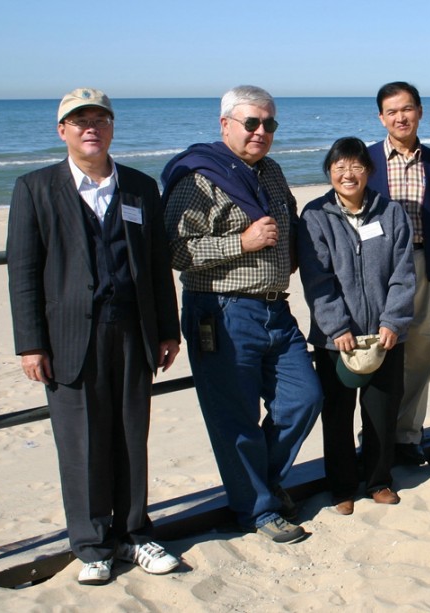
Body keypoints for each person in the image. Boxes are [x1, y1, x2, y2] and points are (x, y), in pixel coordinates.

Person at [7, 88, 181, 585]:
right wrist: (30, 343)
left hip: (132, 329)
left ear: (111, 127)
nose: (91, 128)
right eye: (79, 121)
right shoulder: (35, 188)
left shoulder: (140, 188)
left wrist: (167, 329)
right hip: (67, 338)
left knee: (131, 435)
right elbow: (23, 273)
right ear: (62, 131)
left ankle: (134, 534)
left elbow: (155, 265)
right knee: (81, 443)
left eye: (100, 120)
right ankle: (91, 546)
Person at [162, 85, 322, 543]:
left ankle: (259, 485)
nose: (260, 132)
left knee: (304, 397)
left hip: (276, 308)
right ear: (225, 124)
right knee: (235, 418)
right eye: (251, 123)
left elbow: (287, 223)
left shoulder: (270, 170)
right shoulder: (197, 177)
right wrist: (241, 242)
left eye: (269, 124)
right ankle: (258, 509)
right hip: (222, 312)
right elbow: (174, 250)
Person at [298, 137, 416, 515]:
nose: (348, 174)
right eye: (339, 167)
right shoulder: (315, 216)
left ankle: (379, 480)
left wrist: (393, 321)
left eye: (356, 166)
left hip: (385, 334)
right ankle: (342, 487)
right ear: (329, 171)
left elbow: (403, 272)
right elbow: (317, 279)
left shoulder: (391, 212)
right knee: (337, 414)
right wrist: (336, 326)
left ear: (369, 170)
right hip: (338, 339)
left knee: (382, 410)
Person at [366, 82, 430, 466]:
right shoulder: (368, 160)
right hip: (380, 270)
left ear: (420, 111)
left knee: (422, 355)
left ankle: (407, 436)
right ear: (381, 118)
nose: (400, 117)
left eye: (407, 109)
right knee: (380, 353)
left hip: (427, 266)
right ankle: (375, 437)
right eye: (391, 112)